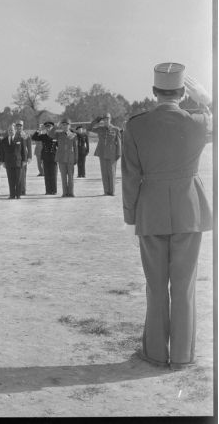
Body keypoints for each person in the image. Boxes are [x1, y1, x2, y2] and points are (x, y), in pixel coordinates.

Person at [122, 63, 212, 371]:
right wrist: (208, 101)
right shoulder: (199, 121)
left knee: (156, 285)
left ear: (153, 92)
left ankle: (156, 353)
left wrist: (131, 213)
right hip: (189, 210)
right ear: (183, 93)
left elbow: (130, 175)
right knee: (184, 286)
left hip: (151, 210)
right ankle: (183, 355)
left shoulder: (136, 125)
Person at [89, 112, 122, 195]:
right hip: (102, 153)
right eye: (104, 119)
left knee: (111, 172)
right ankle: (106, 191)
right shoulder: (100, 129)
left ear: (110, 119)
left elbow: (119, 143)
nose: (106, 121)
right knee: (104, 173)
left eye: (107, 119)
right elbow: (89, 128)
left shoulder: (116, 129)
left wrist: (118, 154)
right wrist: (97, 120)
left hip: (112, 154)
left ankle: (112, 191)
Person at [49, 118, 78, 197]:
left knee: (71, 177)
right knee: (63, 177)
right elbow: (50, 134)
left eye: (67, 125)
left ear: (69, 126)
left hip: (70, 158)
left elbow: (75, 148)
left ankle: (71, 192)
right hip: (61, 158)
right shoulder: (58, 135)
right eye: (63, 125)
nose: (65, 126)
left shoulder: (73, 135)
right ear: (61, 126)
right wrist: (55, 126)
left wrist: (76, 158)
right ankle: (65, 193)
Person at [0, 123, 28, 199]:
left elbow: (23, 151)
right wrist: (2, 161)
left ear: (15, 130)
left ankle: (18, 195)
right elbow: (1, 152)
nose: (10, 131)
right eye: (9, 130)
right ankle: (12, 195)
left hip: (18, 162)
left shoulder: (20, 139)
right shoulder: (4, 140)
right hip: (8, 163)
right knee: (10, 179)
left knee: (18, 180)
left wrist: (24, 160)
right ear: (7, 131)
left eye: (12, 130)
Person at [32, 121, 58, 195]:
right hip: (45, 157)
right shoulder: (43, 136)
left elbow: (59, 145)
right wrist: (39, 130)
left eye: (50, 127)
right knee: (47, 175)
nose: (48, 128)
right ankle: (48, 190)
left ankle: (54, 190)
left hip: (54, 157)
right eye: (47, 127)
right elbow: (34, 137)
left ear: (52, 127)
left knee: (53, 175)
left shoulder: (56, 136)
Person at [15, 120, 32, 196]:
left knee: (22, 175)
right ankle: (17, 189)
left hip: (23, 158)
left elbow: (29, 147)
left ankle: (23, 190)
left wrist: (29, 157)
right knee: (15, 175)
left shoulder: (26, 135)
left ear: (23, 126)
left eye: (20, 126)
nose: (19, 127)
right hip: (15, 158)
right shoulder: (14, 134)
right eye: (17, 126)